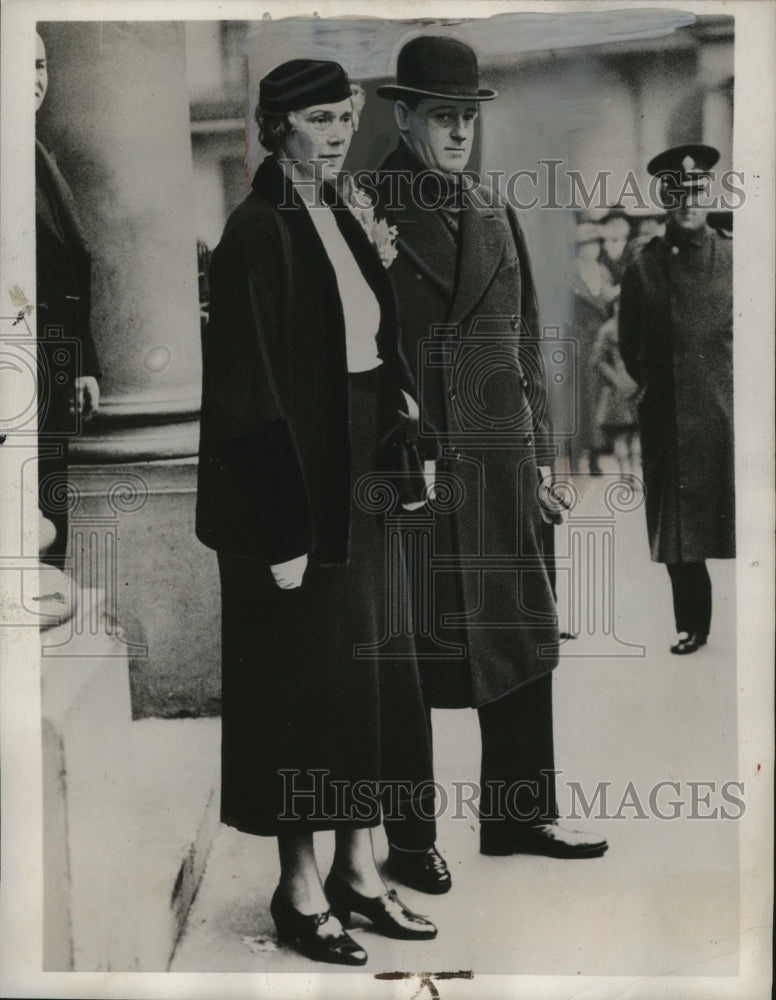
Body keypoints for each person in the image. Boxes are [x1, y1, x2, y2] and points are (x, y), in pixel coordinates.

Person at [195, 59, 439, 967]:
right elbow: (246, 394)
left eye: (346, 116)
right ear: (276, 126)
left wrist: (405, 413)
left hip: (362, 476)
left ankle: (359, 871)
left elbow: (378, 336)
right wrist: (280, 531)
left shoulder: (340, 212)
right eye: (318, 120)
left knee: (365, 682)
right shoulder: (254, 232)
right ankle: (299, 889)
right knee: (300, 689)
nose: (338, 133)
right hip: (295, 491)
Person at [368, 35, 608, 893]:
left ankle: (519, 814)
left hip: (503, 465)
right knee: (409, 662)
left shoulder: (492, 209)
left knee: (518, 640)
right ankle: (409, 838)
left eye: (469, 116)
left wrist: (545, 461)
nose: (461, 131)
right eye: (443, 116)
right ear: (404, 118)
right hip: (419, 467)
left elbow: (524, 346)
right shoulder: (366, 210)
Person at [619, 144, 734, 655]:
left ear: (710, 193)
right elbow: (629, 343)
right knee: (679, 533)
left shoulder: (735, 257)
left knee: (746, 516)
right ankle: (693, 624)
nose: (688, 201)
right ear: (663, 199)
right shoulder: (643, 267)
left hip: (727, 413)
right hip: (669, 416)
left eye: (696, 190)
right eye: (676, 192)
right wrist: (654, 390)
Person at [35, 32, 101, 568]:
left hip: (51, 371)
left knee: (48, 511)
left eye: (40, 65)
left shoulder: (38, 155)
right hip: (16, 371)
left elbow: (71, 268)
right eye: (18, 67)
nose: (34, 79)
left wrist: (84, 365)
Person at [568, 217, 618, 474]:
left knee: (600, 399)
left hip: (600, 343)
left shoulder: (602, 271)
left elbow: (608, 300)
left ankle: (597, 455)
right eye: (587, 244)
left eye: (596, 244)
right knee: (579, 400)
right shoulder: (569, 273)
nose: (593, 249)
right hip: (577, 342)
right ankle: (576, 456)